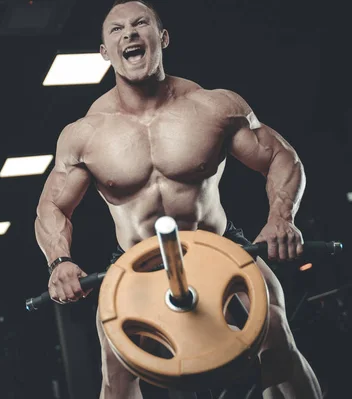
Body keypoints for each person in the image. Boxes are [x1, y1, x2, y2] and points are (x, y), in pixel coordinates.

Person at [34, 0, 322, 398]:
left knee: (277, 344)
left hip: (220, 249)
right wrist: (60, 262)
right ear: (105, 53)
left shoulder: (213, 107)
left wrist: (281, 216)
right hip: (137, 263)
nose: (130, 34)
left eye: (140, 24)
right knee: (116, 379)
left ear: (162, 38)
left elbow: (280, 156)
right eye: (116, 30)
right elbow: (52, 206)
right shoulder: (85, 134)